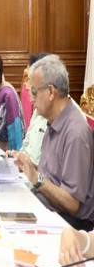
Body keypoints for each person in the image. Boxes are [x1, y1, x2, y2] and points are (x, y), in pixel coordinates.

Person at [12, 55, 94, 231]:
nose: (31, 99)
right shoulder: (53, 119)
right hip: (45, 206)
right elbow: (52, 176)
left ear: (50, 92)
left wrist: (37, 179)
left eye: (34, 92)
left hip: (69, 224)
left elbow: (72, 203)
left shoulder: (75, 133)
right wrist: (28, 166)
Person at [19, 53, 50, 165]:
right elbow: (26, 143)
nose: (26, 86)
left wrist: (32, 172)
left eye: (29, 80)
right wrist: (17, 157)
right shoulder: (39, 109)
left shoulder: (67, 121)